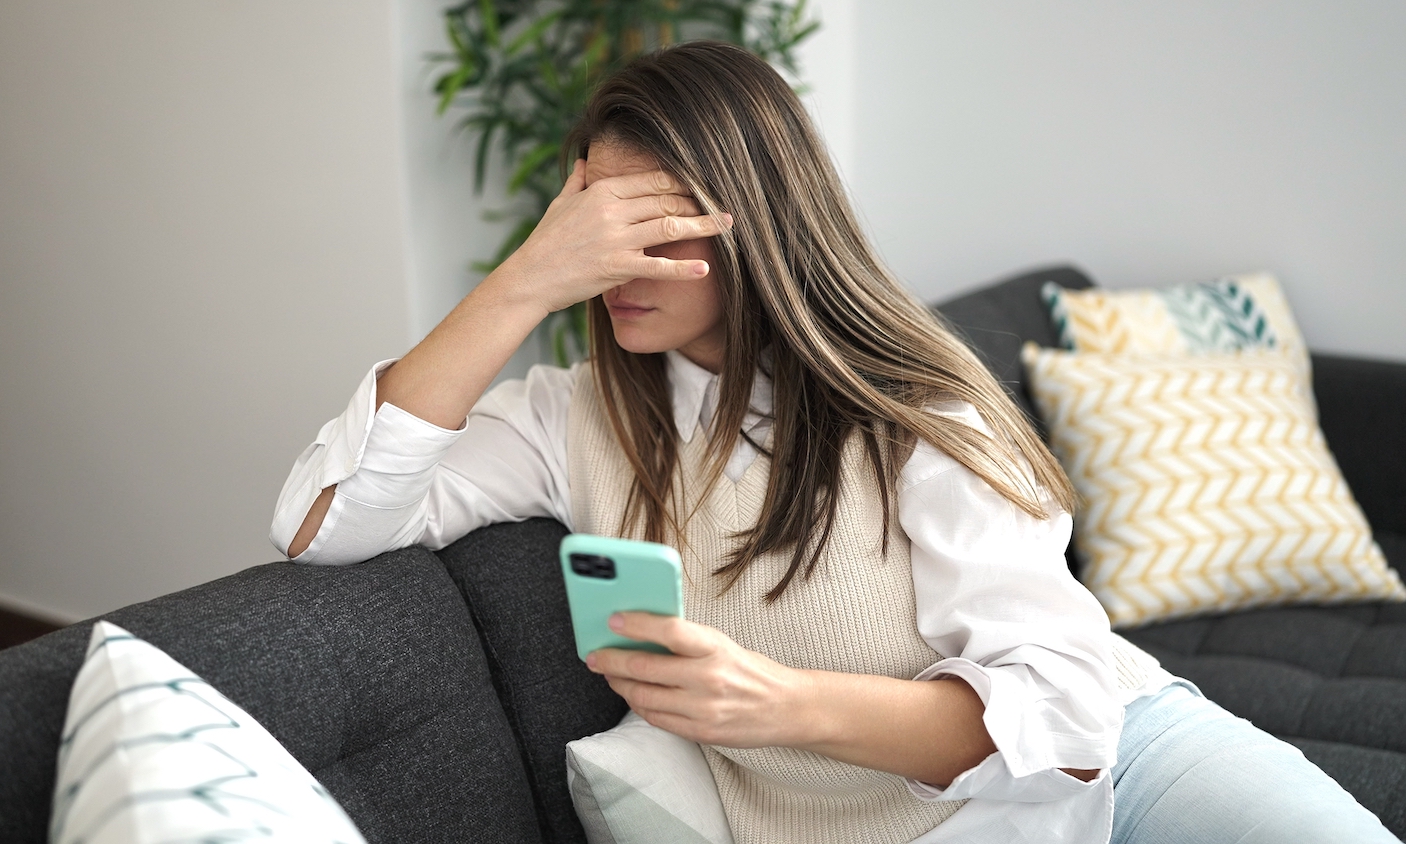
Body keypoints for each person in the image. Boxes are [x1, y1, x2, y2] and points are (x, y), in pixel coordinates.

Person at [271, 42, 1396, 844]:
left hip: (1127, 765)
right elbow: (325, 523)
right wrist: (523, 281)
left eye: (652, 226)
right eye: (592, 230)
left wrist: (778, 706)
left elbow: (1066, 715)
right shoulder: (575, 419)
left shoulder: (911, 406)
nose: (616, 265)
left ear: (751, 222)